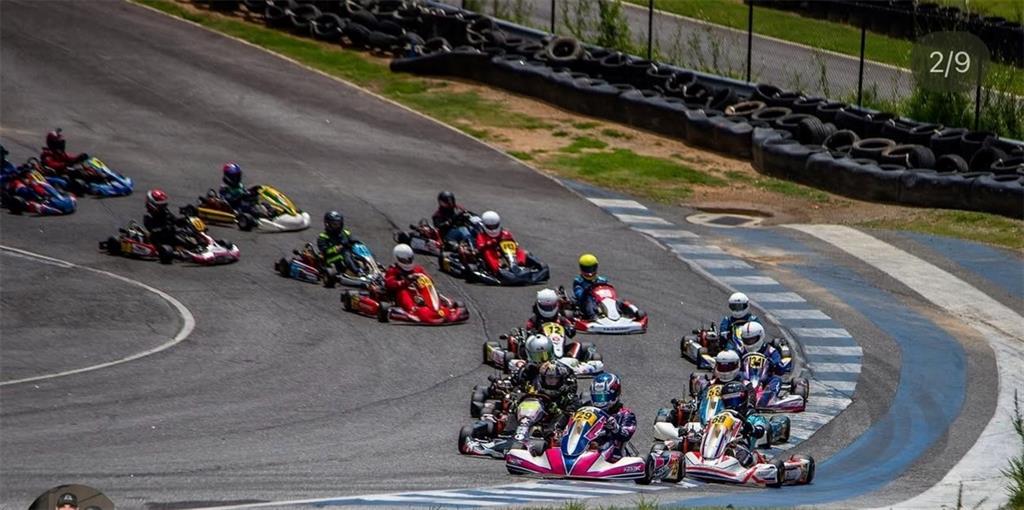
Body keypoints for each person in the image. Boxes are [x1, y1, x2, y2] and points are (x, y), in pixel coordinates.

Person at [588, 373, 637, 460]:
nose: (599, 401)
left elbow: (626, 435)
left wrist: (615, 427)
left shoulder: (625, 414)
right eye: (597, 397)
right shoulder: (588, 409)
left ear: (615, 394)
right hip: (587, 445)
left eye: (602, 397)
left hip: (612, 453)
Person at [472, 211, 529, 275]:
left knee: (521, 251)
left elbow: (513, 242)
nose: (493, 229)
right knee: (488, 252)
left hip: (506, 252)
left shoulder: (504, 233)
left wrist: (513, 244)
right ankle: (497, 270)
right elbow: (480, 247)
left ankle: (520, 265)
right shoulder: (481, 235)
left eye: (495, 226)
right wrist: (489, 243)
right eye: (490, 227)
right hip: (492, 253)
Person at [383, 243, 428, 313]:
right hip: (402, 295)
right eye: (404, 260)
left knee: (428, 290)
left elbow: (429, 281)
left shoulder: (418, 269)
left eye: (409, 259)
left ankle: (438, 307)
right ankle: (412, 310)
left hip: (418, 292)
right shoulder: (393, 270)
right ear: (397, 259)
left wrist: (421, 278)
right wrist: (405, 281)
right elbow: (389, 284)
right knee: (403, 292)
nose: (407, 262)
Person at [572, 253, 608, 319]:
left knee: (615, 300)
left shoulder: (602, 280)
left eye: (591, 269)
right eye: (586, 269)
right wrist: (587, 290)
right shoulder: (578, 281)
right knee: (589, 300)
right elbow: (579, 295)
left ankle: (622, 313)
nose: (590, 273)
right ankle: (594, 317)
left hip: (600, 301)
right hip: (584, 304)